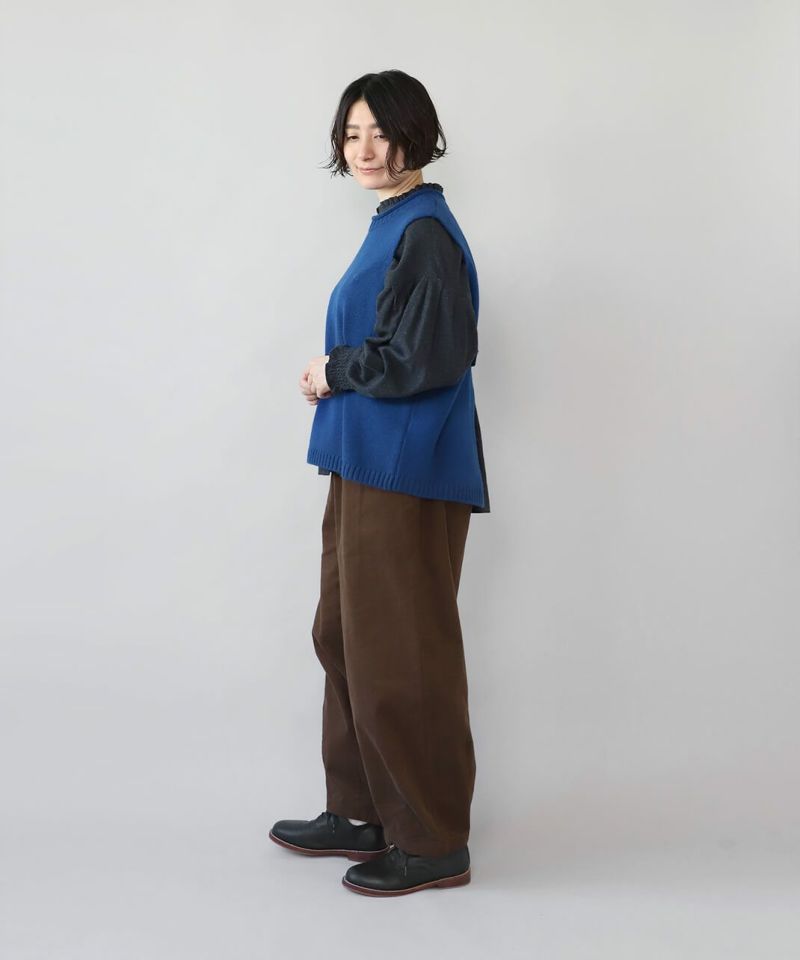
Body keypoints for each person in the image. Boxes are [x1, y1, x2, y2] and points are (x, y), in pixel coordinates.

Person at [269, 69, 490, 897]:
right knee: (344, 636)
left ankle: (432, 840)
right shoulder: (392, 222)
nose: (365, 148)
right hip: (364, 459)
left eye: (381, 131)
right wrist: (339, 379)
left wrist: (335, 369)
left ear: (417, 134)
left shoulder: (424, 231)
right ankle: (362, 811)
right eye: (352, 132)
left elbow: (428, 356)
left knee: (402, 651)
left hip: (406, 468)